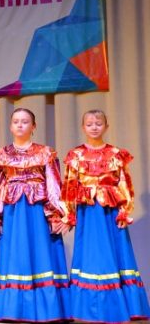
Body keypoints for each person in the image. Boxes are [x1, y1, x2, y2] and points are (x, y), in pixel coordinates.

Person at [62, 109, 150, 322]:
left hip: (110, 213)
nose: (94, 127)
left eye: (98, 123)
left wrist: (124, 211)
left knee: (114, 253)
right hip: (88, 212)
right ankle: (86, 309)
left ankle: (118, 307)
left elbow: (125, 183)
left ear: (106, 126)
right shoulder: (76, 155)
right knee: (90, 255)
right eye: (89, 124)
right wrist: (69, 215)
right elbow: (69, 186)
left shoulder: (115, 154)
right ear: (83, 127)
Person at [0, 108, 69, 322]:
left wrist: (61, 214)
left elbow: (54, 184)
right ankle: (13, 310)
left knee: (40, 252)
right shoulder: (1, 155)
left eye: (25, 121)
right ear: (10, 126)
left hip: (37, 210)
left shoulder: (46, 152)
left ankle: (47, 310)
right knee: (15, 254)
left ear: (33, 126)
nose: (20, 125)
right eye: (16, 121)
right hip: (13, 211)